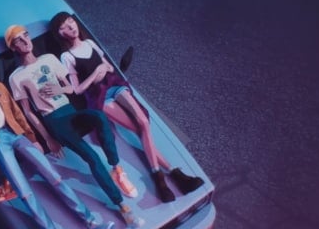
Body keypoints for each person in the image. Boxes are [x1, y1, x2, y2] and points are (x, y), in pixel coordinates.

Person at [0, 48, 115, 229]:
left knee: (55, 177)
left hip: (17, 135)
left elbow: (17, 113)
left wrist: (32, 138)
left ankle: (93, 224)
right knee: (24, 191)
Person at [48, 11, 204, 202]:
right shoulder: (67, 56)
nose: (70, 26)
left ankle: (162, 179)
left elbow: (110, 68)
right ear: (60, 34)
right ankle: (173, 176)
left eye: (70, 21)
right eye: (63, 27)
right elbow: (77, 89)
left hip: (114, 86)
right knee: (140, 129)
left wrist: (104, 68)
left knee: (143, 123)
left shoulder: (89, 44)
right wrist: (96, 72)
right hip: (99, 98)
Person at [4, 25, 145, 229]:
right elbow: (28, 112)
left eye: (26, 35)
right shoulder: (16, 77)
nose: (25, 40)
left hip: (69, 110)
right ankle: (123, 208)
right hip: (54, 120)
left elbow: (70, 87)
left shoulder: (49, 59)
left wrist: (59, 88)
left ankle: (117, 169)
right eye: (18, 39)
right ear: (13, 47)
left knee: (98, 116)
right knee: (91, 157)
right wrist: (47, 138)